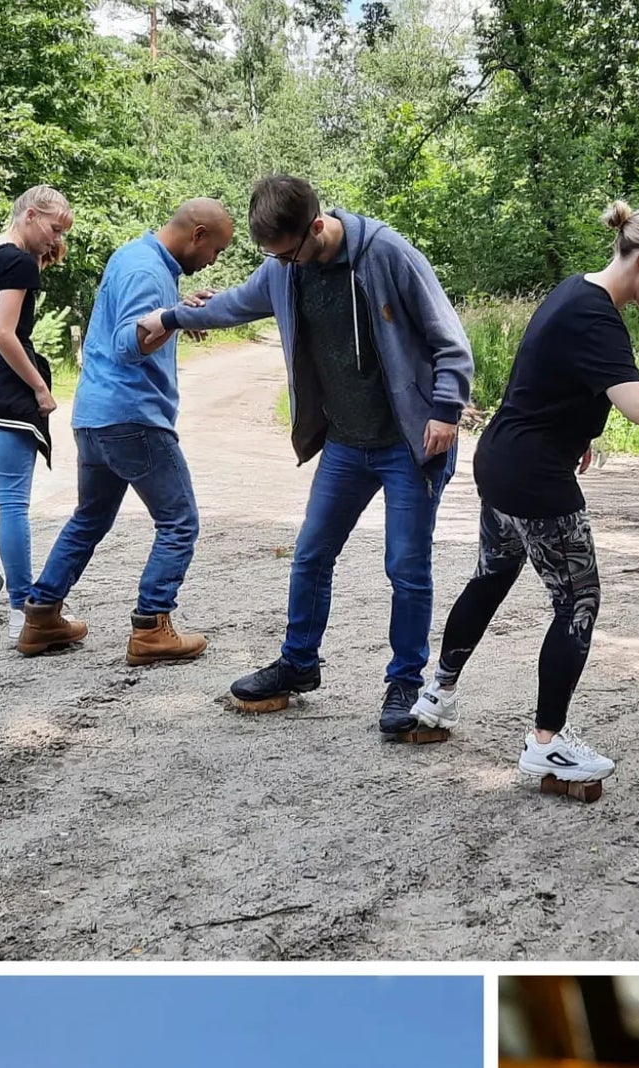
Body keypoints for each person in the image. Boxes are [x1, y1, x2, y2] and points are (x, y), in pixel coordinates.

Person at [423, 202, 639, 788]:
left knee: (491, 577)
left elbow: (549, 381)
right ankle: (546, 744)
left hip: (500, 461)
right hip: (534, 478)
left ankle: (436, 696)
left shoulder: (574, 292)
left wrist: (578, 432)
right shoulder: (596, 316)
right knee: (577, 603)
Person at [162, 175, 475, 738]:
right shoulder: (285, 266)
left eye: (289, 253)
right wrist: (170, 318)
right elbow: (235, 303)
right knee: (310, 554)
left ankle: (405, 680)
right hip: (345, 444)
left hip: (408, 443)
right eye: (272, 257)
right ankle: (298, 664)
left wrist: (446, 410)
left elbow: (449, 340)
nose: (282, 265)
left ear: (316, 226)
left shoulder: (386, 253)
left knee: (405, 567)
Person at [15, 201, 235, 662]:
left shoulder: (133, 254)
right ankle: (152, 627)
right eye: (215, 249)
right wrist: (175, 317)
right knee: (179, 522)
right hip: (133, 417)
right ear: (197, 234)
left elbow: (140, 324)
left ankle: (42, 616)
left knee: (90, 518)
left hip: (95, 417)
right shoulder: (148, 271)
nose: (213, 260)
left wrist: (177, 312)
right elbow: (127, 343)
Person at [0, 187, 74, 641]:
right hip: (6, 385)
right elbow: (6, 333)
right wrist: (39, 387)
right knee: (15, 501)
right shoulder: (19, 262)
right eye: (54, 228)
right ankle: (25, 606)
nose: (55, 240)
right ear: (31, 214)